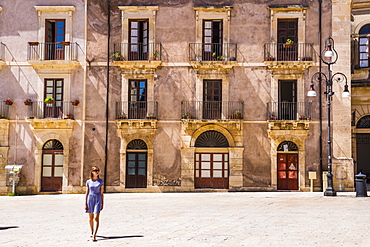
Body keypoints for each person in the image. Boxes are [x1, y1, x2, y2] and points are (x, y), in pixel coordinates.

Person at [85, 166, 104, 242]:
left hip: (98, 199)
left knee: (96, 217)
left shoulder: (101, 181)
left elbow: (102, 193)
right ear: (92, 172)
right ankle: (92, 231)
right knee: (91, 218)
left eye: (98, 170)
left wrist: (102, 203)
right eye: (95, 170)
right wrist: (85, 203)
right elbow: (86, 193)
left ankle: (95, 234)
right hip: (90, 199)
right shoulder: (88, 182)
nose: (97, 172)